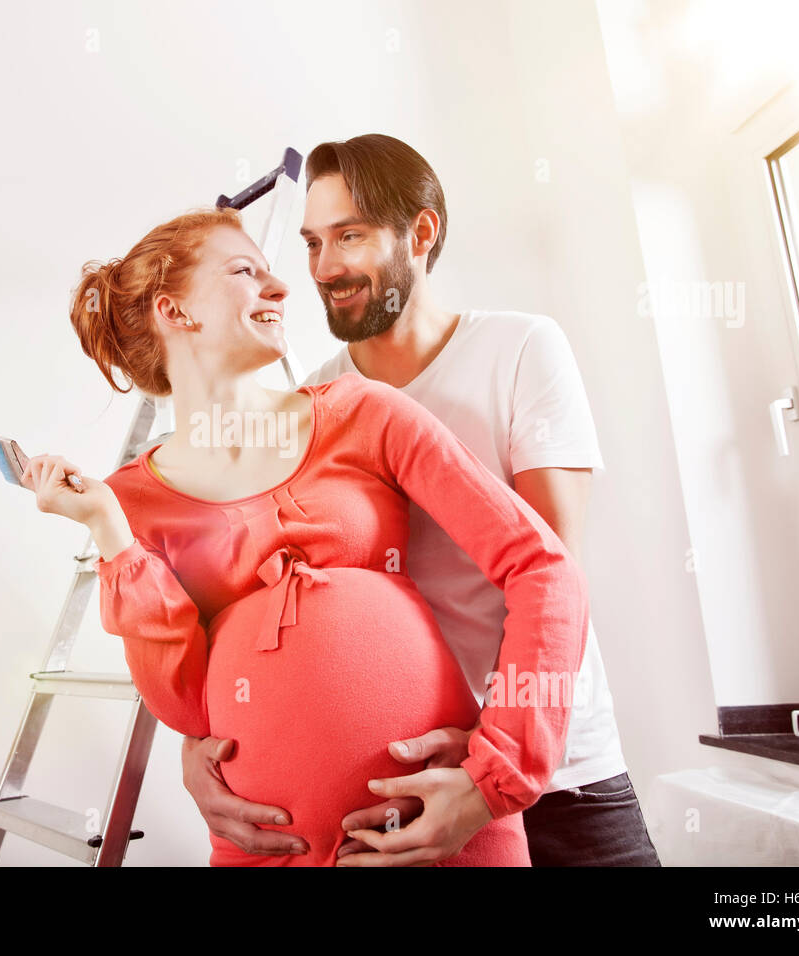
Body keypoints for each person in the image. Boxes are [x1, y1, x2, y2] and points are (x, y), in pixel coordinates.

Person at [12, 205, 591, 866]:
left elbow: (544, 569)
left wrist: (492, 783)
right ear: (175, 313)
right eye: (244, 271)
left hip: (446, 833)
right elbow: (187, 709)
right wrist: (109, 531)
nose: (285, 286)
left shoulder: (362, 410)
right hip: (263, 847)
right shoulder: (132, 501)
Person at [180, 133, 661, 867]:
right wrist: (199, 748)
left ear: (421, 233)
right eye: (312, 242)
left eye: (351, 236)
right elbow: (257, 594)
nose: (325, 267)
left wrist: (495, 761)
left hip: (558, 773)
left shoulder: (521, 349)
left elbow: (551, 572)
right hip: (406, 786)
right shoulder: (314, 401)